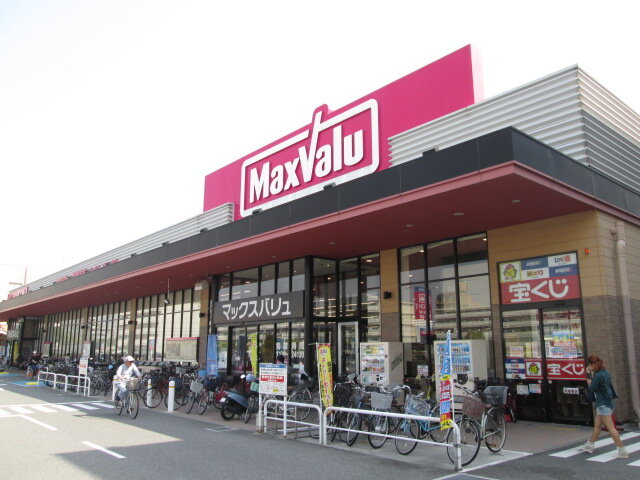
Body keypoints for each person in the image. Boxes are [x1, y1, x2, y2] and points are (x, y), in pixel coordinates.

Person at [581, 355, 628, 458]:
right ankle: (590, 445)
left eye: (589, 365)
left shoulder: (598, 376)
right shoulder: (605, 372)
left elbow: (592, 388)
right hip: (606, 402)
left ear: (593, 365)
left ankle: (622, 450)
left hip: (602, 404)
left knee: (611, 428)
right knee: (598, 425)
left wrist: (589, 377)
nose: (588, 367)